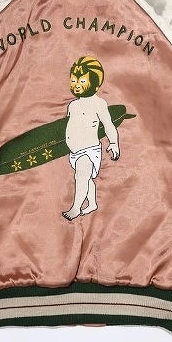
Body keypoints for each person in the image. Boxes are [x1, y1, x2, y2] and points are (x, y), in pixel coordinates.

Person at [63, 56, 120, 220]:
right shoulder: (72, 105)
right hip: (74, 152)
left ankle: (75, 208)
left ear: (95, 84)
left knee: (81, 175)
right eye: (74, 80)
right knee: (85, 179)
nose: (76, 84)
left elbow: (108, 124)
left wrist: (114, 142)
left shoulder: (99, 103)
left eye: (82, 81)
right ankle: (92, 203)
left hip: (89, 150)